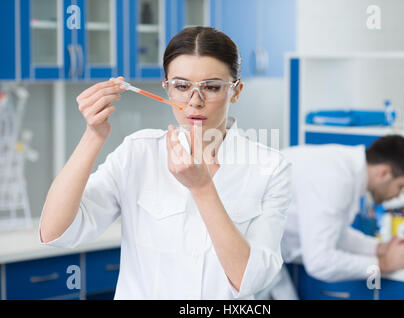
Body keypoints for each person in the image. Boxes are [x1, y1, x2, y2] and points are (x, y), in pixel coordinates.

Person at [39, 27, 291, 299]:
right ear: (167, 88)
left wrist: (202, 187)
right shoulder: (138, 152)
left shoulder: (270, 167)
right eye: (182, 86)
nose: (195, 102)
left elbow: (250, 280)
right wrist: (93, 135)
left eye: (212, 87)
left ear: (236, 91)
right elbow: (55, 232)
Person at [257, 135, 404, 299]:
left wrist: (377, 248)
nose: (398, 195)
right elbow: (319, 262)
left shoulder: (346, 169)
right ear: (384, 172)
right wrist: (383, 264)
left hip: (262, 257)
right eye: (400, 186)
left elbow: (335, 234)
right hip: (246, 258)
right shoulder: (336, 179)